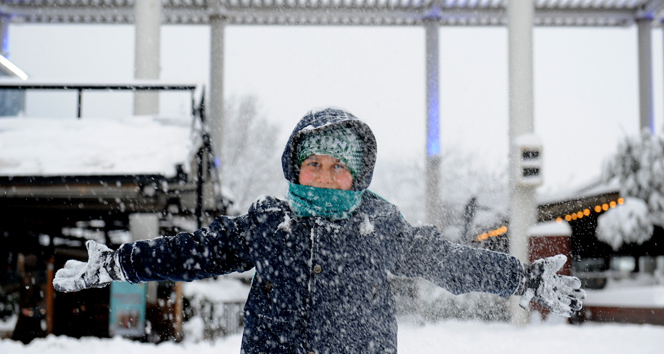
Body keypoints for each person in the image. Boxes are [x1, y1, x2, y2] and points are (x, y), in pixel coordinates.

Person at [54, 108, 585, 353]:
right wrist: (119, 263)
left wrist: (524, 279)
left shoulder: (378, 226)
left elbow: (448, 261)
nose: (327, 176)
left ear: (358, 175)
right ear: (295, 167)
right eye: (315, 164)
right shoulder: (269, 222)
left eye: (340, 167)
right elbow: (196, 251)